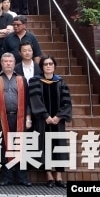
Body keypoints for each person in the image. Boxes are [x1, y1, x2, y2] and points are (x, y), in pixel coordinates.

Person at [29, 55, 72, 189]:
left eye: (50, 64)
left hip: (57, 122)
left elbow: (66, 102)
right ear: (41, 67)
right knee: (45, 146)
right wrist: (45, 115)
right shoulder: (35, 81)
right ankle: (49, 176)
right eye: (45, 64)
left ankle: (59, 177)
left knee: (59, 147)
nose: (48, 66)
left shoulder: (60, 82)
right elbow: (35, 99)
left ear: (54, 66)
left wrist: (59, 116)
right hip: (43, 121)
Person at [0, 53, 32, 187]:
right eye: (5, 61)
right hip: (2, 118)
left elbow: (28, 101)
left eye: (10, 61)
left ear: (14, 63)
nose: (8, 63)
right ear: (1, 63)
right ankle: (6, 177)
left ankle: (22, 177)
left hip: (19, 116)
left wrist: (28, 117)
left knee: (20, 145)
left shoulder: (21, 79)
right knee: (4, 147)